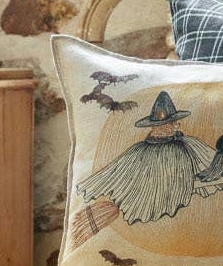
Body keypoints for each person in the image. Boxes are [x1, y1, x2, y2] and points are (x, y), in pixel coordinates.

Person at [75, 89, 215, 225]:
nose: (175, 126)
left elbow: (208, 160)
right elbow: (117, 172)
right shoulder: (138, 153)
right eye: (169, 124)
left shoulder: (185, 143)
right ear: (155, 126)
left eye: (173, 123)